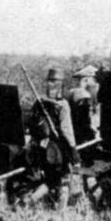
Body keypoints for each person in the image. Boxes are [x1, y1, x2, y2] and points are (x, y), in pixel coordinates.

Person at [26, 68, 80, 207]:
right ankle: (61, 214)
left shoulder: (39, 102)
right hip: (56, 150)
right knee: (63, 180)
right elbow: (67, 131)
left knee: (50, 180)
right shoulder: (62, 105)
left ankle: (30, 201)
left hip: (39, 147)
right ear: (60, 84)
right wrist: (73, 152)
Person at [69, 64, 99, 146]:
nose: (95, 83)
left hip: (73, 133)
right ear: (86, 80)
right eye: (94, 79)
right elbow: (87, 119)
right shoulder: (84, 95)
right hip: (85, 137)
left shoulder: (71, 92)